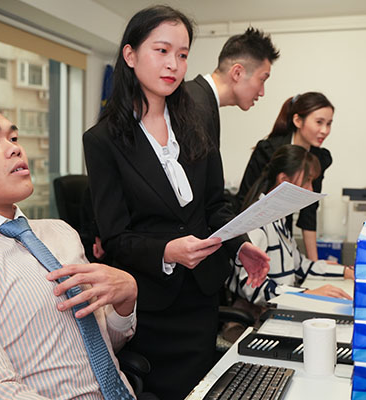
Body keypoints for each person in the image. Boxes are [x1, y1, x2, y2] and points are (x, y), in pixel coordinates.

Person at [83, 6, 270, 400]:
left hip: (201, 297)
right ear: (130, 55)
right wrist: (167, 251)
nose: (173, 64)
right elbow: (115, 237)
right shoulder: (103, 140)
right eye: (162, 51)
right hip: (152, 305)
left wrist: (240, 245)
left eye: (182, 55)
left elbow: (215, 205)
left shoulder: (196, 122)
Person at [0, 85, 139, 399]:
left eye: (13, 138)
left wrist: (125, 300)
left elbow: (102, 347)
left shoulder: (60, 233)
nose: (15, 149)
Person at [228, 144, 353, 307]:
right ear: (284, 181)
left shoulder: (278, 219)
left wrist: (345, 272)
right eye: (307, 180)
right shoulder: (257, 223)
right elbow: (252, 287)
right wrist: (304, 294)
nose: (310, 189)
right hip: (259, 314)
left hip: (280, 305)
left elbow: (301, 266)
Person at [236, 92, 335, 260]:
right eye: (319, 122)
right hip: (254, 230)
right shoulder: (268, 150)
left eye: (329, 124)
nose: (325, 131)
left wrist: (314, 262)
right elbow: (245, 199)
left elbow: (309, 210)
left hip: (284, 229)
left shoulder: (319, 158)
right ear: (298, 121)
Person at [186, 27, 280, 148]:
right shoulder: (193, 105)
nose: (262, 92)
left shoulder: (203, 101)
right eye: (262, 80)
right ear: (237, 73)